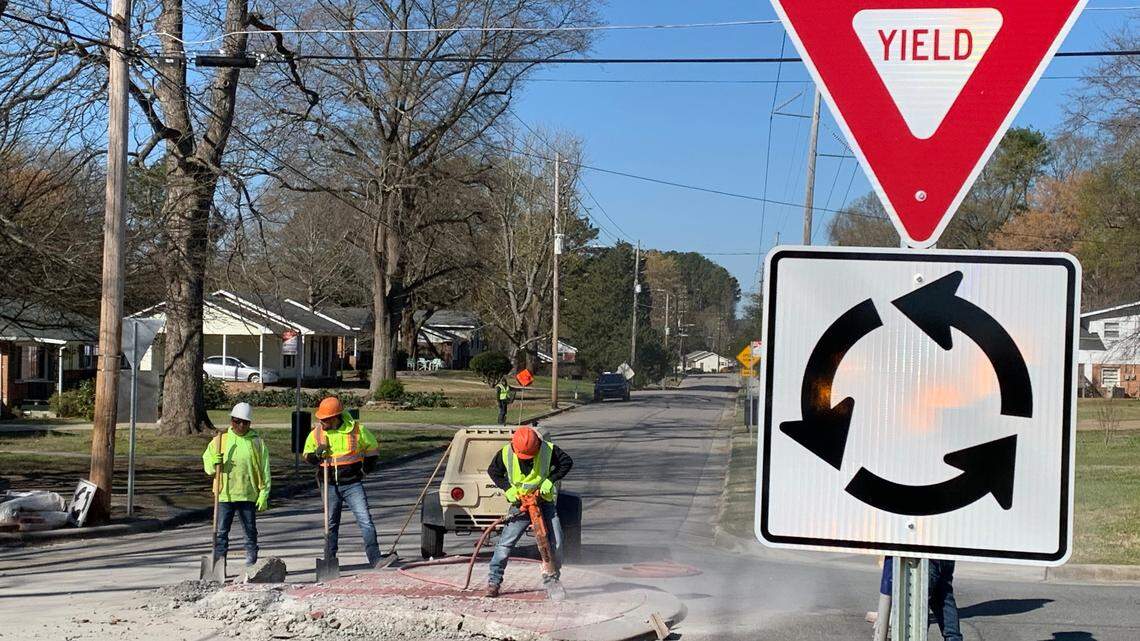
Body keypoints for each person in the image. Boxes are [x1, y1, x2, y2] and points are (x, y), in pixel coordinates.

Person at [484, 424, 573, 598]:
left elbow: (567, 462)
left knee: (557, 542)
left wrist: (550, 480)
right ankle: (494, 581)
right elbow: (493, 471)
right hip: (521, 504)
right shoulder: (506, 453)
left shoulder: (548, 450)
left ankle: (552, 579)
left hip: (544, 503)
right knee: (505, 544)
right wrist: (508, 489)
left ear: (538, 446)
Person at [303, 396, 386, 567]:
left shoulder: (357, 430)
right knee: (331, 523)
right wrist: (317, 455)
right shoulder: (317, 433)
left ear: (335, 418)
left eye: (324, 419)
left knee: (365, 520)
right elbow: (307, 456)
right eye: (320, 419)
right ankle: (329, 559)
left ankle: (375, 558)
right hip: (329, 484)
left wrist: (365, 470)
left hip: (352, 484)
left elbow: (373, 449)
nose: (321, 422)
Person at [201, 402, 271, 569]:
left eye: (244, 422)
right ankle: (218, 564)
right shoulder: (220, 441)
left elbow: (265, 469)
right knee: (221, 533)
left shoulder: (257, 443)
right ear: (231, 421)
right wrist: (213, 463)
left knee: (250, 532)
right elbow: (207, 463)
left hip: (248, 494)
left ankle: (251, 563)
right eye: (236, 421)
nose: (240, 425)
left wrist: (264, 493)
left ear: (249, 423)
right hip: (224, 494)